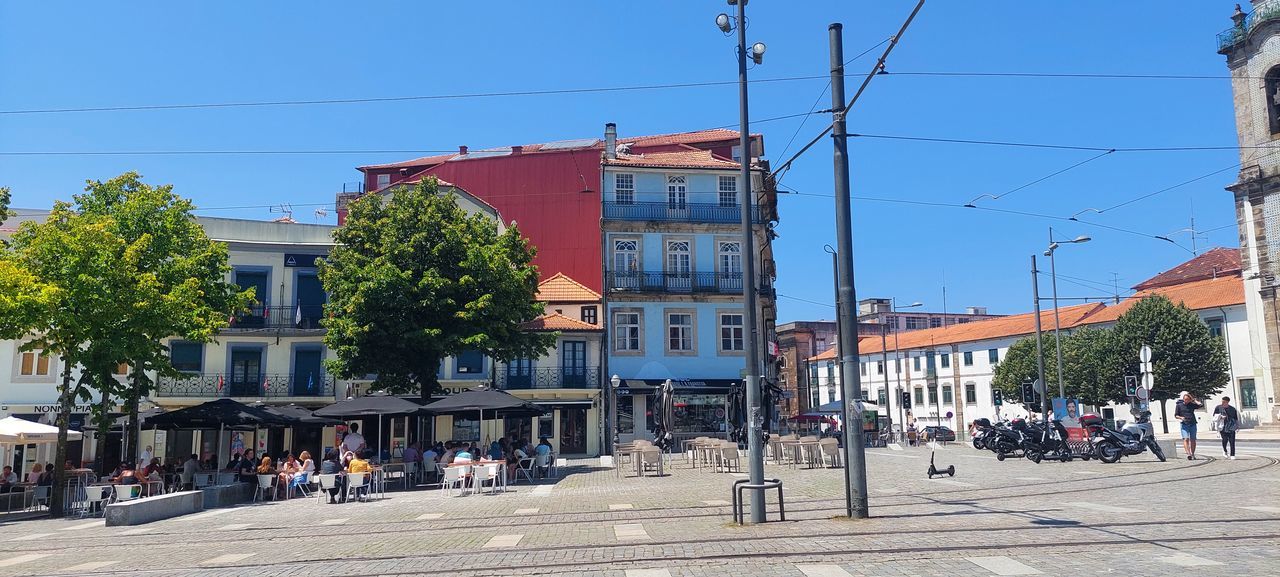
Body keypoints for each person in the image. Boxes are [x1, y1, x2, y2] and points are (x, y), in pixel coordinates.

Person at [1175, 391, 1204, 460]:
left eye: (1188, 399)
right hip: (1184, 424)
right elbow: (1176, 415)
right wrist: (1181, 417)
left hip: (1192, 423)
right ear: (1183, 399)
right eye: (1185, 399)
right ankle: (1188, 454)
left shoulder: (1191, 404)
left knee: (1193, 439)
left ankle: (1193, 453)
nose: (1186, 401)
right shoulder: (1179, 405)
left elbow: (1200, 405)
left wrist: (1194, 400)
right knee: (1186, 439)